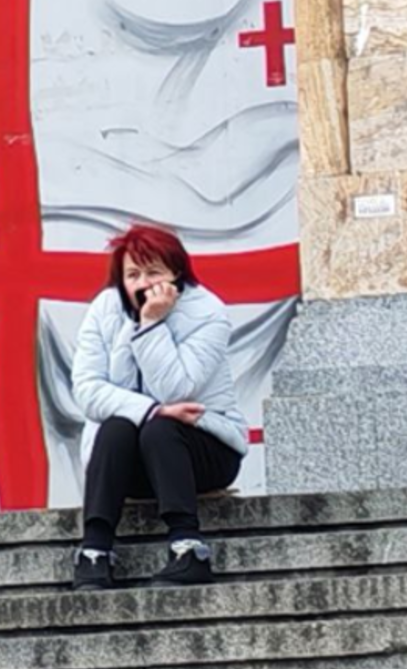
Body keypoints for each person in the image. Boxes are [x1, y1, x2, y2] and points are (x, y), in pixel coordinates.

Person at [70, 225, 249, 589]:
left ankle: (188, 548)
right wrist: (150, 410)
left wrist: (151, 323)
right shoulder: (104, 309)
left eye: (154, 273)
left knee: (162, 429)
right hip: (129, 459)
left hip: (203, 449)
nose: (143, 284)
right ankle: (94, 553)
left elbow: (178, 389)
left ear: (176, 273)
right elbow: (87, 391)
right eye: (133, 274)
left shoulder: (208, 313)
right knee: (119, 426)